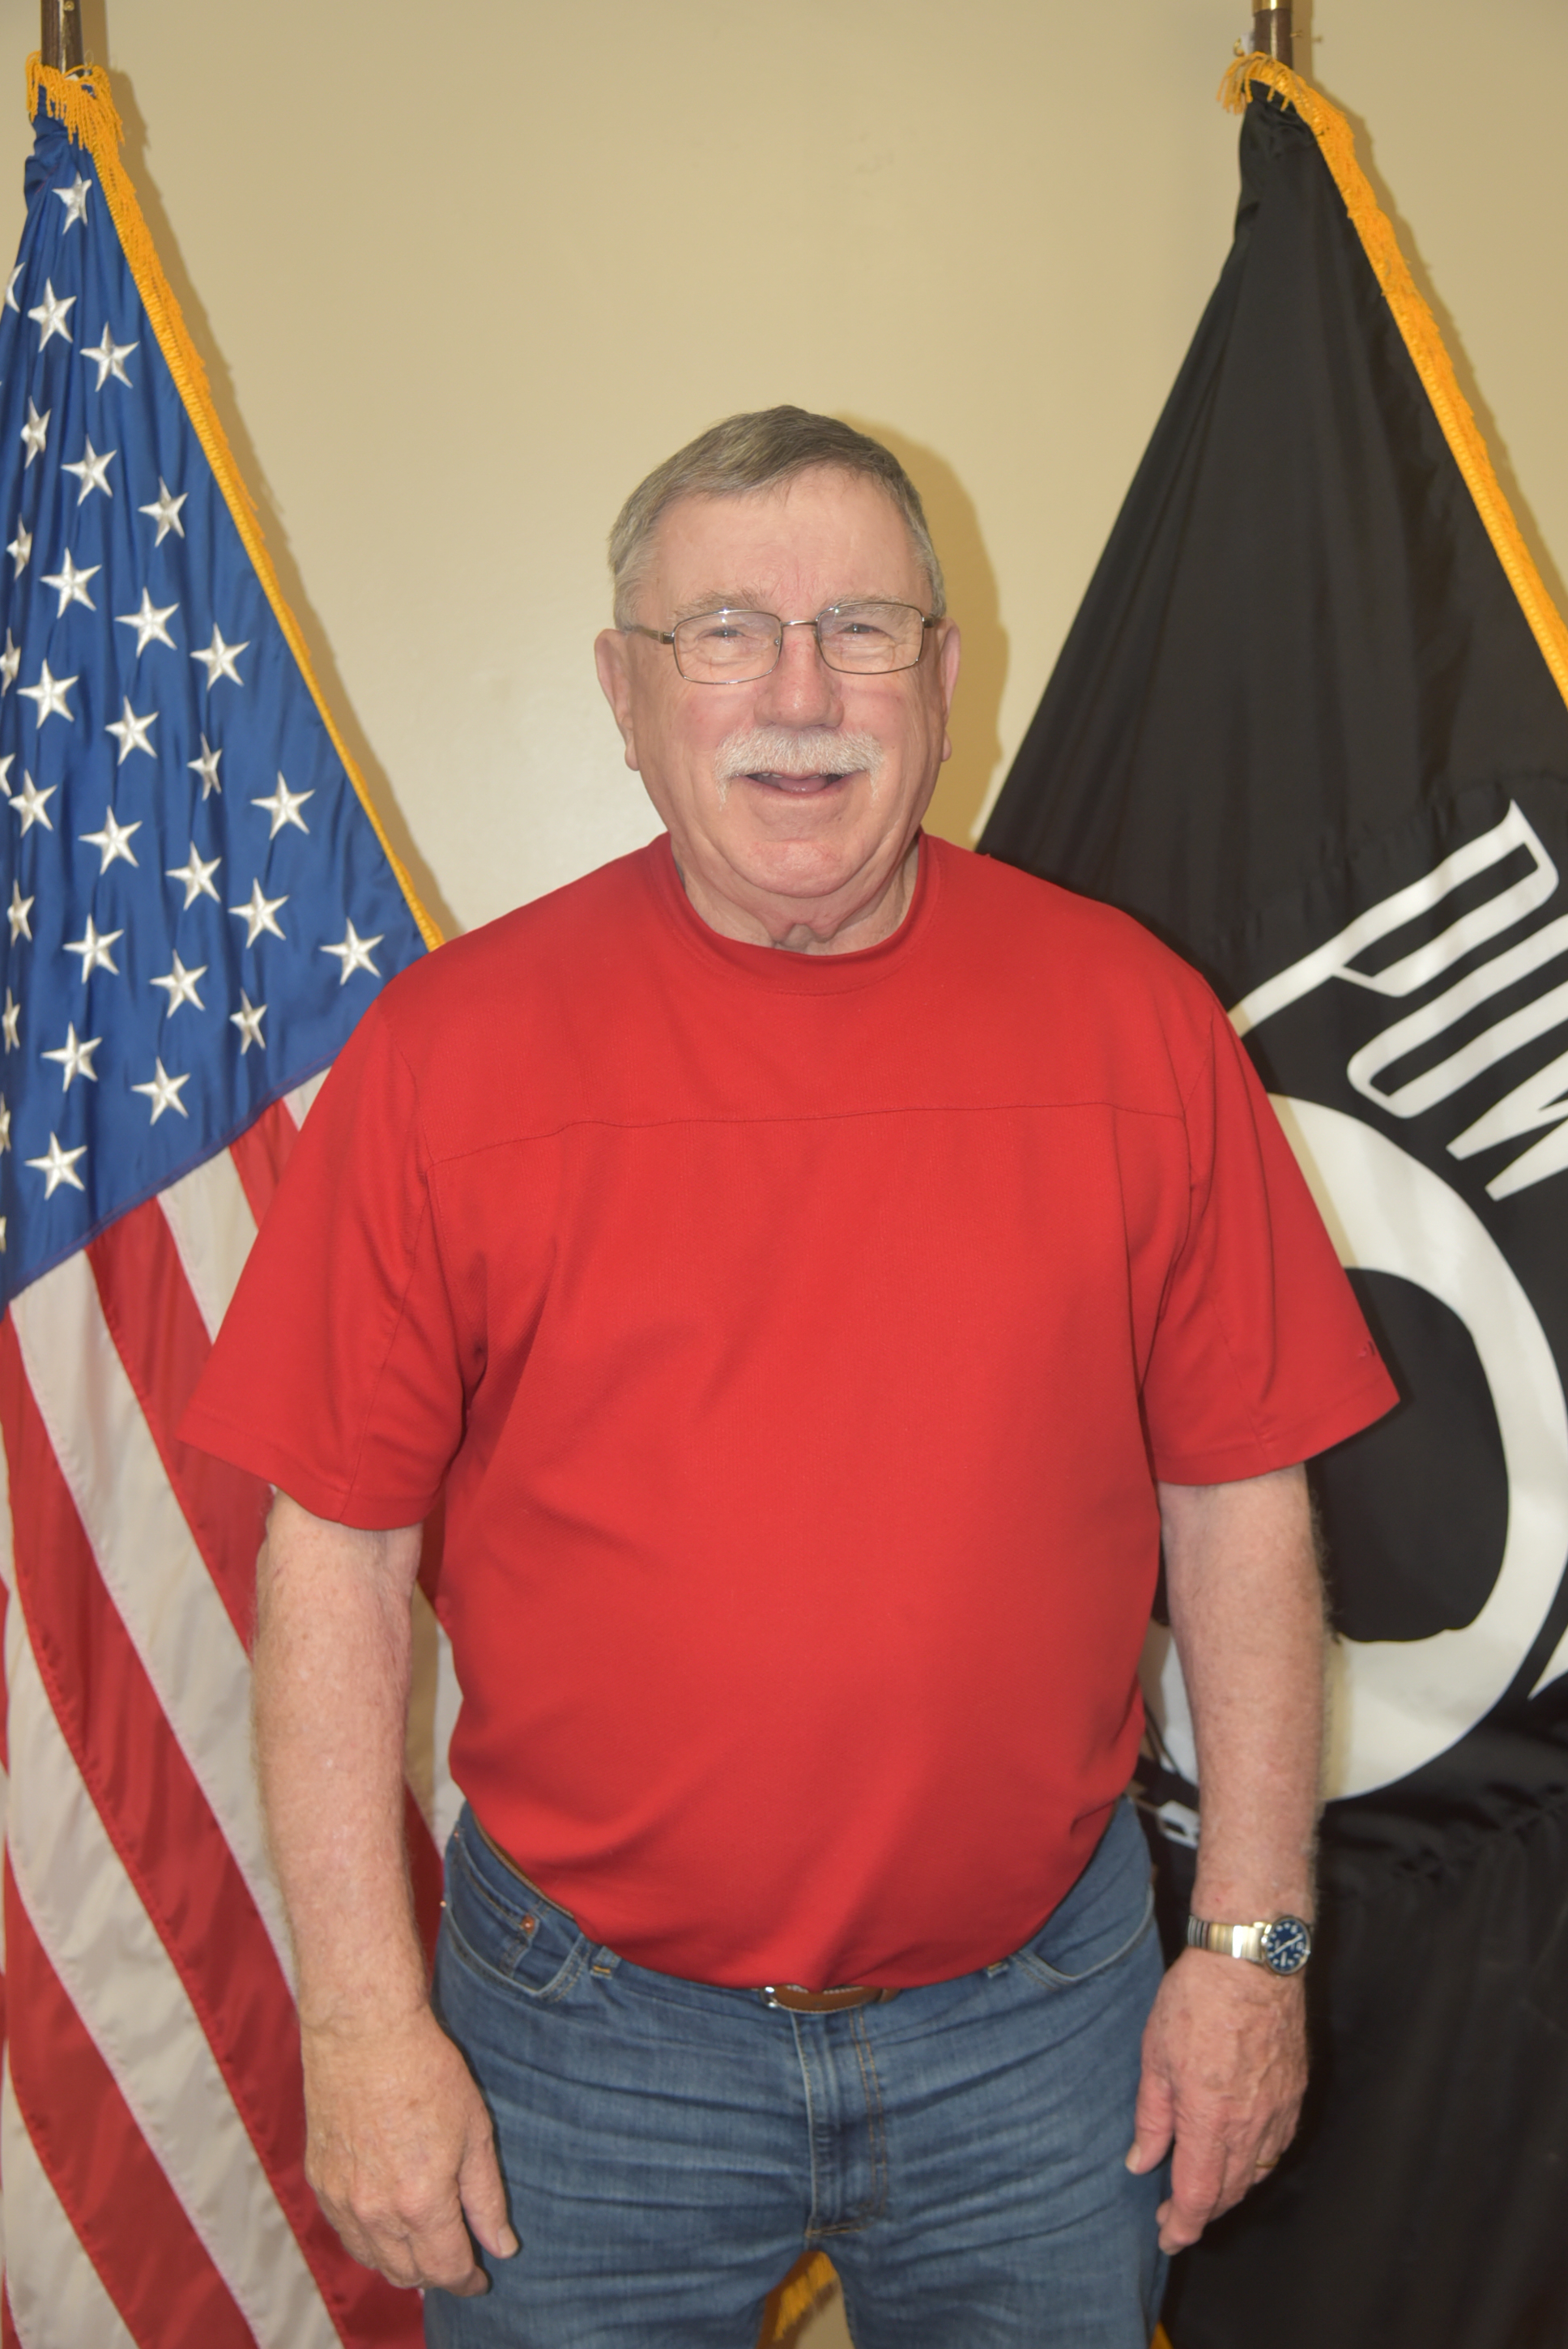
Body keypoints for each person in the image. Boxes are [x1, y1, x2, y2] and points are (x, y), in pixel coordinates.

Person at [182, 407, 1395, 2349]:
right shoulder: (448, 1061)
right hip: (580, 2049)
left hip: (1039, 2029)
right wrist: (357, 2014)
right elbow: (331, 1550)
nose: (800, 691)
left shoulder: (1132, 1021)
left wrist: (1250, 1948)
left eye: (861, 624)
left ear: (939, 670)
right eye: (723, 632)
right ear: (623, 692)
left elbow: (1238, 1500)